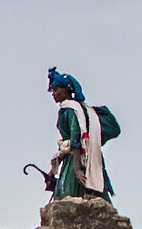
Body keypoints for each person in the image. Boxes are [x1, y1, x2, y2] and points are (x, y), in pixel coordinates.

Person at [46, 68, 113, 201]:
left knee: (71, 198)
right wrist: (55, 167)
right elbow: (68, 143)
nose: (53, 94)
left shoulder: (72, 110)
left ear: (65, 90)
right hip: (72, 159)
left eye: (56, 89)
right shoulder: (66, 110)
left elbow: (76, 137)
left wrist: (77, 169)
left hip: (79, 160)